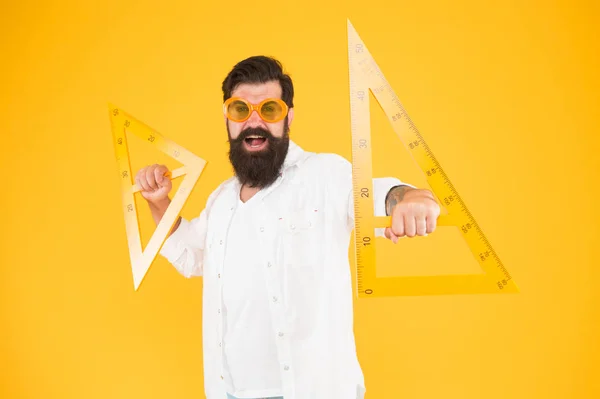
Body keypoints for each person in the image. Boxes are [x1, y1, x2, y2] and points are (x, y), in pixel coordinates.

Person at [134, 56, 441, 399]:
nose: (254, 121)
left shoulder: (324, 174)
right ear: (228, 119)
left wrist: (409, 197)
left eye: (269, 109)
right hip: (229, 392)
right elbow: (190, 256)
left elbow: (379, 192)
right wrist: (159, 203)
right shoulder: (221, 199)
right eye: (240, 110)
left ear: (288, 117)